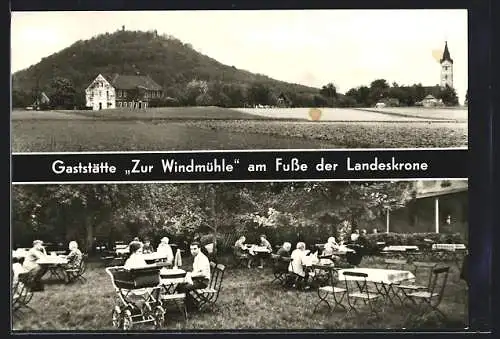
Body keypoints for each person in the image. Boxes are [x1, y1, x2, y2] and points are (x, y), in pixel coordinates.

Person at [176, 242, 211, 310]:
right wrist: (190, 275)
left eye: (195, 249)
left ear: (199, 249)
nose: (193, 251)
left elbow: (203, 274)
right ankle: (191, 303)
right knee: (179, 286)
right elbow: (196, 271)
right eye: (191, 249)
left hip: (203, 281)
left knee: (184, 287)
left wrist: (191, 275)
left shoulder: (202, 258)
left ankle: (191, 306)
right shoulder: (197, 257)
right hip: (197, 279)